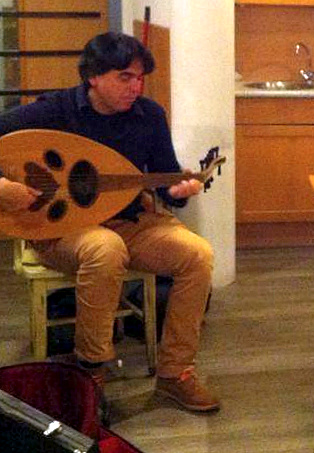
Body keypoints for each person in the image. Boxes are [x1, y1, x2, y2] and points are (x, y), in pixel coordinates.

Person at [0, 32, 220, 412]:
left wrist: (178, 191)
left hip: (131, 221)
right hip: (62, 229)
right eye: (125, 77)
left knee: (196, 254)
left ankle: (175, 374)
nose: (135, 87)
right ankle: (90, 373)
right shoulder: (55, 111)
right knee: (105, 248)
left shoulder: (149, 115)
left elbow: (165, 180)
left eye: (140, 78)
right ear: (93, 76)